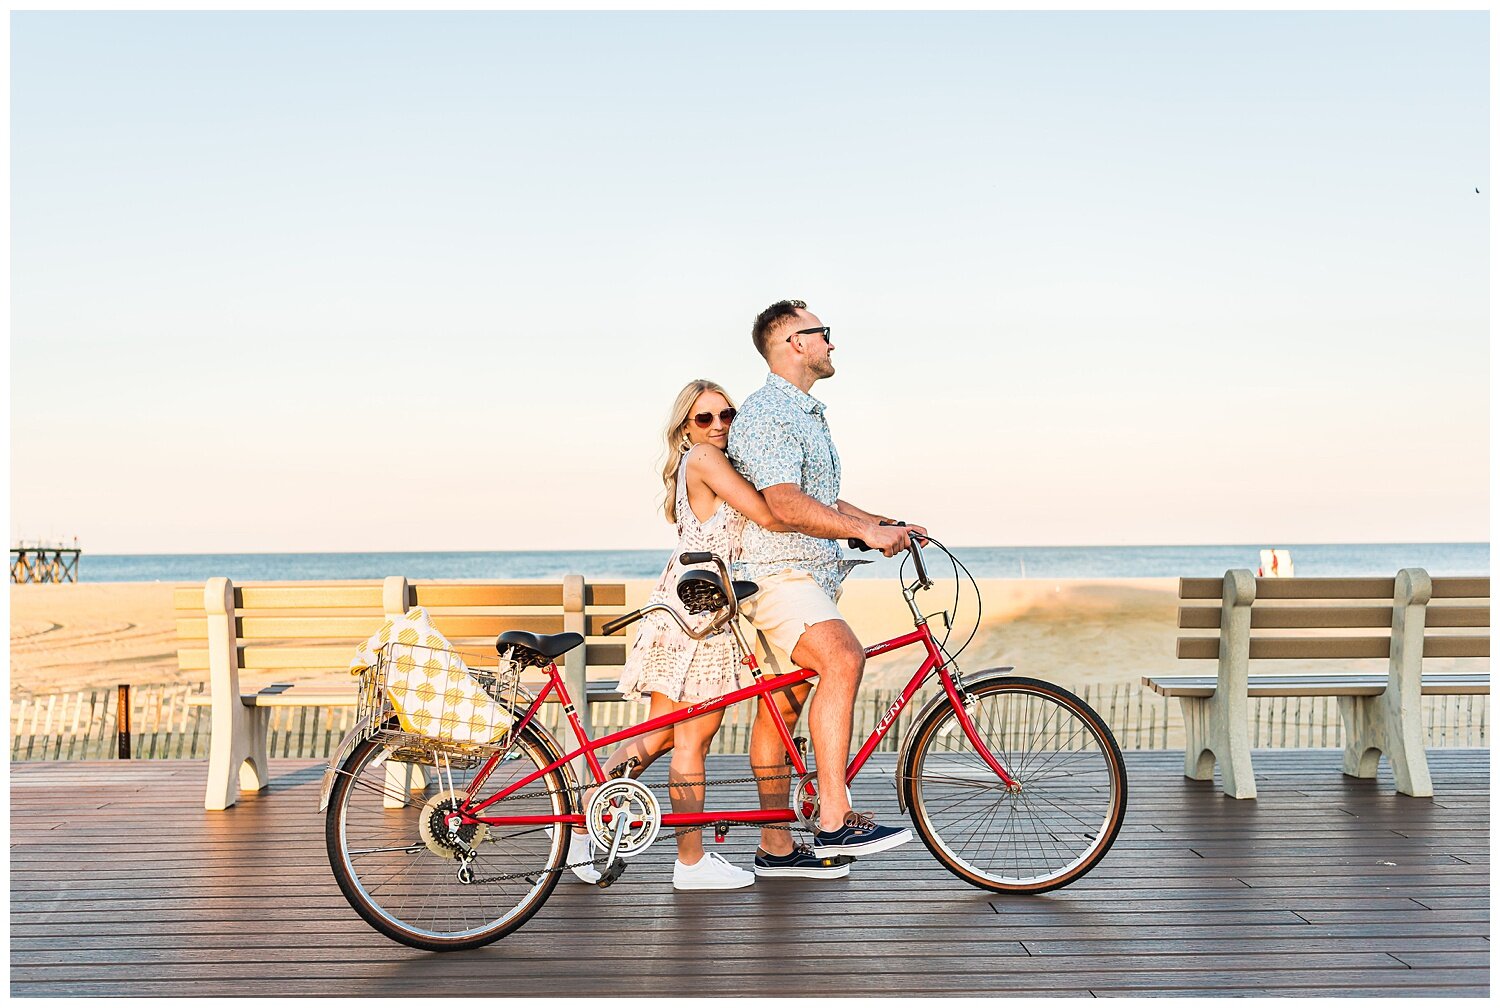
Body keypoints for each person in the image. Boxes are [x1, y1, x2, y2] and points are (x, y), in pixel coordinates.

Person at [569, 379, 853, 890]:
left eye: (728, 415)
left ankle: (588, 816)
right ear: (685, 429)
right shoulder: (703, 458)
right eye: (705, 418)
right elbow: (770, 511)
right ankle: (691, 862)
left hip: (704, 603)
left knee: (659, 733)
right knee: (693, 734)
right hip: (694, 609)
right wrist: (828, 521)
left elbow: (783, 502)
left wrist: (849, 519)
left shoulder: (715, 464)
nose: (719, 426)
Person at [728, 299, 927, 865]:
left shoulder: (804, 412)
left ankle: (775, 845)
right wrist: (864, 530)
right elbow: (786, 503)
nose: (832, 344)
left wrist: (879, 525)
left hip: (805, 573)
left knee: (782, 708)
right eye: (824, 333)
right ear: (794, 342)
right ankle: (835, 820)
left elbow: (820, 500)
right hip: (779, 574)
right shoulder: (770, 413)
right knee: (843, 656)